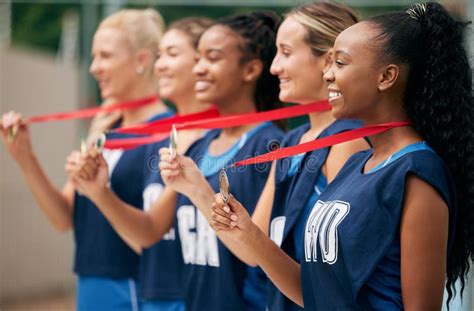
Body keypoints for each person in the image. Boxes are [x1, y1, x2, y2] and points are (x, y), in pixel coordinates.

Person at [211, 2, 474, 310]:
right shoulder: (355, 165)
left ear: (386, 76)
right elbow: (313, 292)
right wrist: (247, 231)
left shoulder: (416, 172)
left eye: (340, 63)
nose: (328, 75)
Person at [1, 8, 168, 311]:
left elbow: (154, 235)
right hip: (90, 281)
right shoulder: (106, 128)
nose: (94, 67)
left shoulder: (165, 133)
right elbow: (64, 218)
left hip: (134, 287)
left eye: (105, 56)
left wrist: (101, 192)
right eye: (94, 56)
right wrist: (25, 158)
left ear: (142, 61)